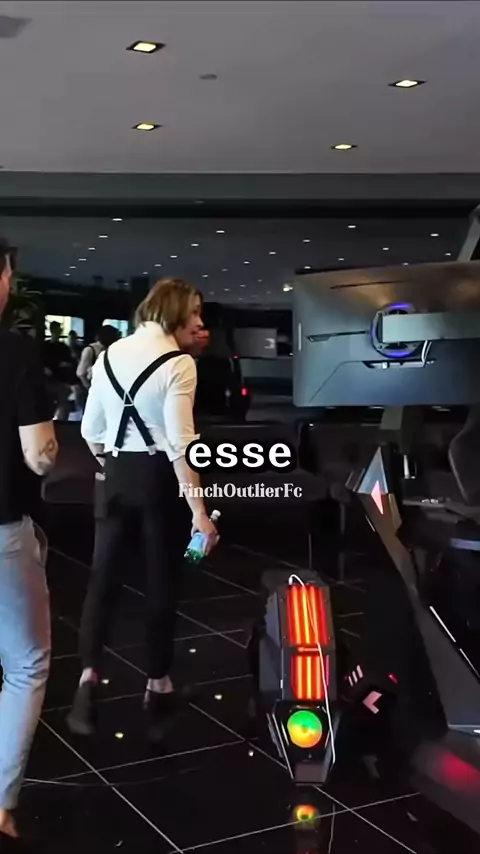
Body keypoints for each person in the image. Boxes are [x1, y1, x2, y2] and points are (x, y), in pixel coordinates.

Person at [67, 278, 219, 740]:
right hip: (158, 480)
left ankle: (87, 681)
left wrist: (114, 463)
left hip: (115, 474)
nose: (199, 322)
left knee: (103, 579)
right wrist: (199, 513)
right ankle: (157, 685)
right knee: (160, 582)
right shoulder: (179, 364)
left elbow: (90, 431)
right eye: (194, 312)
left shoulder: (111, 354)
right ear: (175, 312)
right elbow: (181, 446)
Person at [0, 236, 58, 845]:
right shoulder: (14, 352)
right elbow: (39, 454)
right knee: (26, 662)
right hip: (0, 532)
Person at [43, 322, 75, 421]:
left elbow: (69, 362)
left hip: (61, 379)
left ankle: (61, 423)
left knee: (63, 405)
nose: (59, 332)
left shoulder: (64, 347)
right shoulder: (45, 346)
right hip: (48, 380)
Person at [76, 325, 120, 392]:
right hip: (89, 388)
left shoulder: (109, 350)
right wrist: (90, 389)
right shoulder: (89, 350)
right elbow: (81, 373)